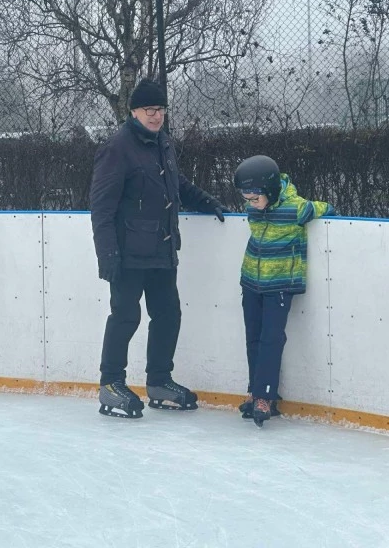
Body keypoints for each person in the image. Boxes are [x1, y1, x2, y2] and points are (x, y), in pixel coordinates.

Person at [90, 78, 229, 419]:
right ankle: (110, 383)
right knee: (125, 315)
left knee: (168, 314)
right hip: (128, 253)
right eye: (149, 110)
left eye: (161, 110)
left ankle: (159, 381)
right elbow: (101, 207)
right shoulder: (117, 148)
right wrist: (107, 255)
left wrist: (204, 200)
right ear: (134, 111)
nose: (156, 116)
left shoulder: (162, 143)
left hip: (162, 249)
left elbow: (175, 183)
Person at [233, 155, 335, 427]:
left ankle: (266, 397)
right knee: (252, 337)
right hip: (251, 281)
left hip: (279, 285)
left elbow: (327, 208)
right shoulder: (255, 207)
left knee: (271, 339)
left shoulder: (297, 209)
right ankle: (255, 392)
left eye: (255, 198)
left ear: (272, 190)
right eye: (247, 199)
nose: (250, 204)